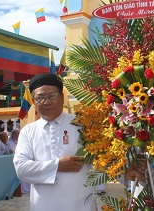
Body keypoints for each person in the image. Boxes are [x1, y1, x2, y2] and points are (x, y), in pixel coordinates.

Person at [13, 73, 96, 211]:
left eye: (52, 96)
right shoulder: (28, 131)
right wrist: (57, 165)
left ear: (62, 97)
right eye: (40, 97)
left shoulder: (82, 124)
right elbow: (21, 169)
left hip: (80, 204)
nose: (46, 102)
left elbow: (103, 157)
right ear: (33, 102)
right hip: (43, 205)